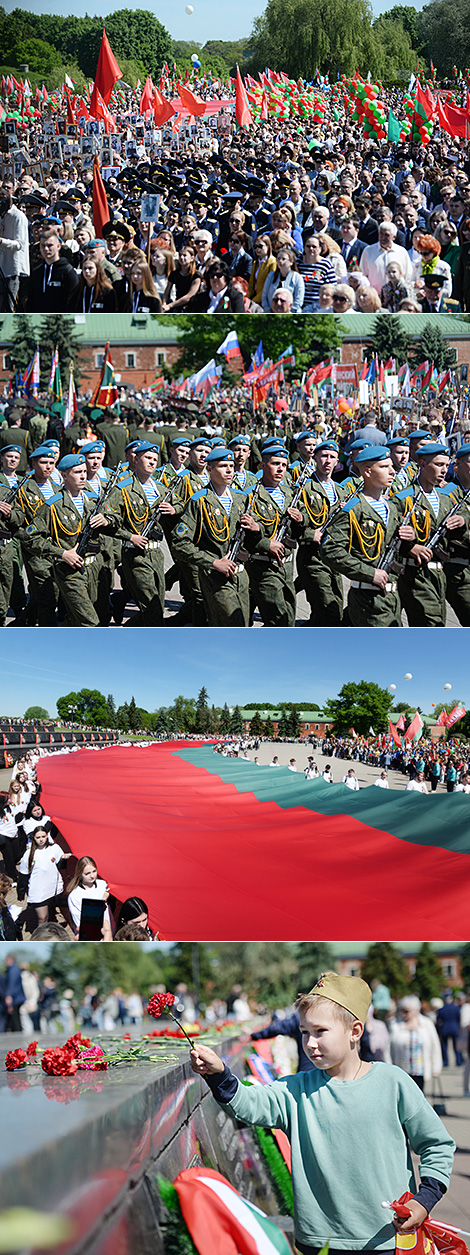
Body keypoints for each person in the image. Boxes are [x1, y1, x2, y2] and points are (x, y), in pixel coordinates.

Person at [190, 972, 455, 1255]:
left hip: (388, 1238)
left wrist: (424, 1199)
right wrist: (219, 1074)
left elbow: (436, 1144)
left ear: (355, 1031)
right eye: (304, 1032)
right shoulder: (296, 1089)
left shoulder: (393, 1082)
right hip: (319, 1241)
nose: (310, 1042)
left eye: (320, 1031)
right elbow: (247, 1104)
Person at [17, 827, 72, 928]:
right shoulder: (28, 854)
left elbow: (59, 867)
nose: (41, 839)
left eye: (43, 836)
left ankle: (49, 935)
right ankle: (39, 937)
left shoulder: (54, 848)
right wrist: (20, 894)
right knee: (42, 918)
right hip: (39, 891)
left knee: (50, 915)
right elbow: (23, 875)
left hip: (53, 888)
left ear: (47, 836)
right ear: (33, 838)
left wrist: (63, 859)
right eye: (38, 837)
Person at [389, 995, 443, 1091]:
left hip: (420, 1070)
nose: (403, 1014)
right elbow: (389, 1049)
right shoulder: (396, 1025)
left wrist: (436, 1068)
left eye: (406, 1011)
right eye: (401, 1010)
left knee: (419, 1098)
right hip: (402, 1070)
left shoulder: (426, 1024)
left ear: (415, 1010)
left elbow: (435, 1046)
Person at [67, 855, 113, 940]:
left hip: (109, 930)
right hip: (90, 936)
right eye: (87, 873)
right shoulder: (75, 896)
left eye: (94, 871)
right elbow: (82, 923)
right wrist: (102, 901)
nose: (92, 876)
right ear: (80, 874)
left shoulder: (102, 884)